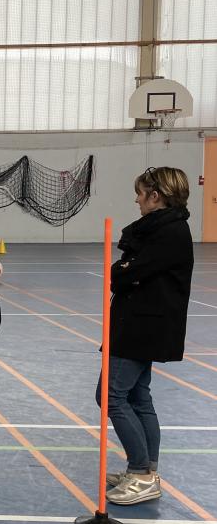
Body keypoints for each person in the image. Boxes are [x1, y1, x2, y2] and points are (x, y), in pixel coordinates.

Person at [100, 166, 193, 506]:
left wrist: (123, 270)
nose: (136, 199)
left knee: (110, 396)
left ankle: (141, 472)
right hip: (138, 322)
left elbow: (126, 274)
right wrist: (124, 271)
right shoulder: (158, 230)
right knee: (138, 397)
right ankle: (145, 469)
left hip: (144, 326)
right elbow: (127, 272)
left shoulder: (170, 233)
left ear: (156, 196)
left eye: (141, 193)